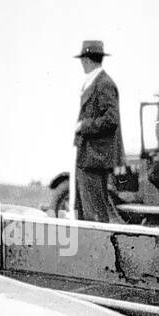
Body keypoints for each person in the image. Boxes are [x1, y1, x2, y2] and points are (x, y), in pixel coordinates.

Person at [71, 40, 123, 223]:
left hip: (95, 157)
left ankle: (98, 249)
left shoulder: (103, 83)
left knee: (94, 213)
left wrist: (83, 125)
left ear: (86, 60)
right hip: (89, 156)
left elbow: (111, 120)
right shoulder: (95, 81)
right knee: (87, 210)